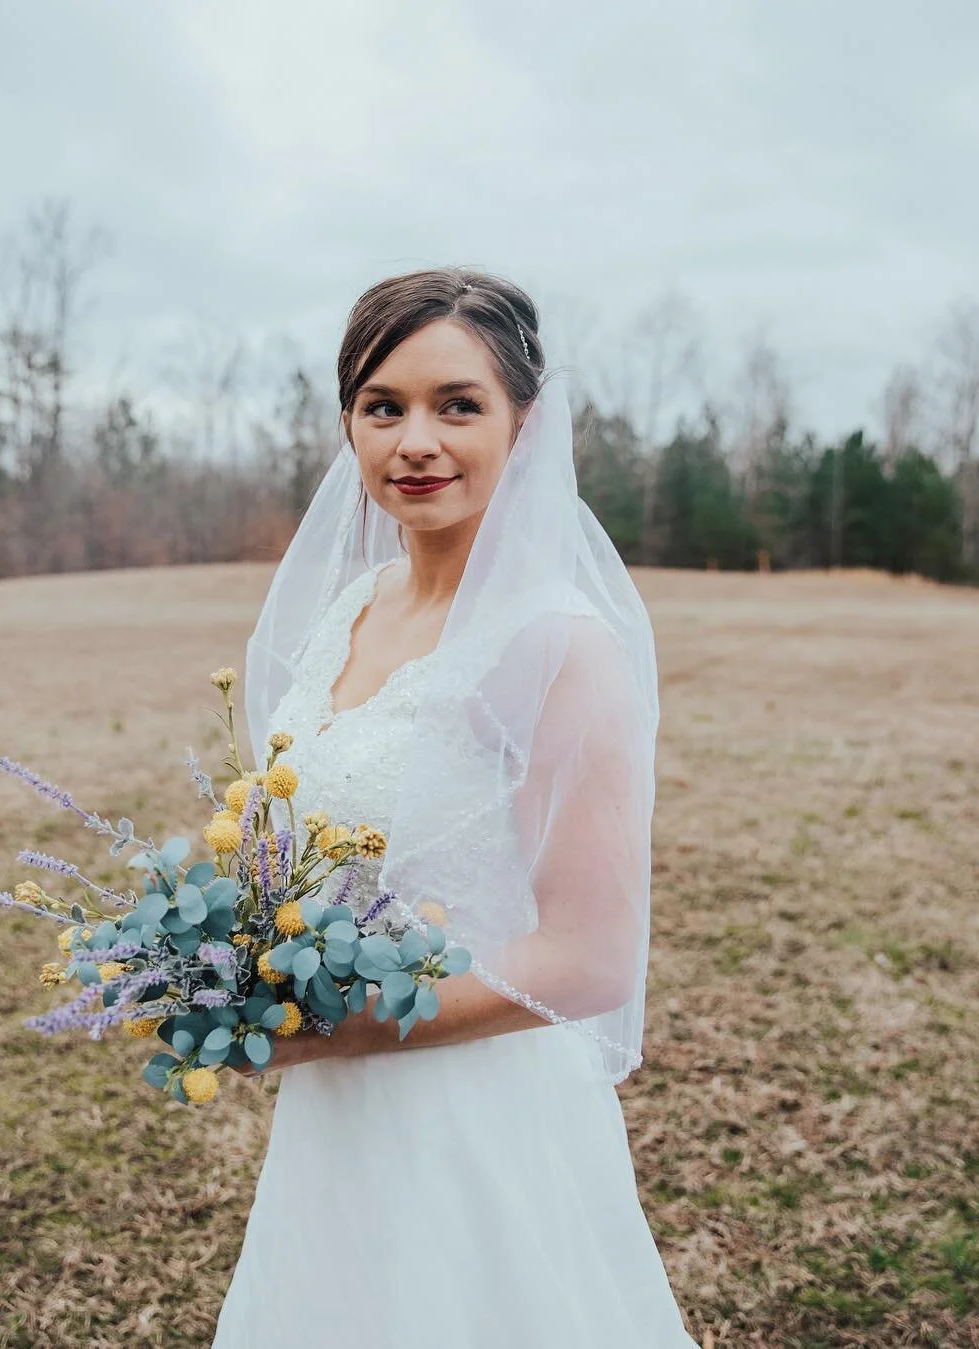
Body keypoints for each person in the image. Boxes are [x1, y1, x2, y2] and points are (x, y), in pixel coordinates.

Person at [211, 268, 700, 1347]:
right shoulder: (352, 608)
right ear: (349, 424)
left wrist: (345, 1026)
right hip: (337, 1117)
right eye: (383, 406)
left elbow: (589, 958)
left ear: (524, 424)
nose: (415, 440)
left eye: (457, 404)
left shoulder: (555, 642)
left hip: (480, 1117)